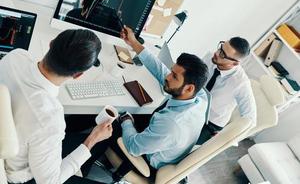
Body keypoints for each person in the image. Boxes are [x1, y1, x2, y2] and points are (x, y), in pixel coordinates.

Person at [0, 29, 113, 184]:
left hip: (11, 149)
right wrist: (92, 139)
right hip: (18, 177)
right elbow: (49, 181)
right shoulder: (50, 118)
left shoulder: (16, 56)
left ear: (51, 44)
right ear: (78, 75)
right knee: (98, 143)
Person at [109, 26, 209, 180]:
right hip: (161, 140)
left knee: (107, 119)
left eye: (174, 77)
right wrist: (134, 43)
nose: (168, 77)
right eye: (172, 71)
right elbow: (161, 71)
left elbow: (133, 147)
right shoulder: (201, 97)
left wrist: (126, 121)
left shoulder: (170, 124)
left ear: (189, 88)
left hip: (147, 160)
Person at [197, 38, 257, 144]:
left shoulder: (241, 83)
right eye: (221, 47)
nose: (216, 53)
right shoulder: (211, 57)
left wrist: (227, 136)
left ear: (235, 63)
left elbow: (251, 119)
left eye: (223, 55)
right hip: (194, 104)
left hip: (210, 123)